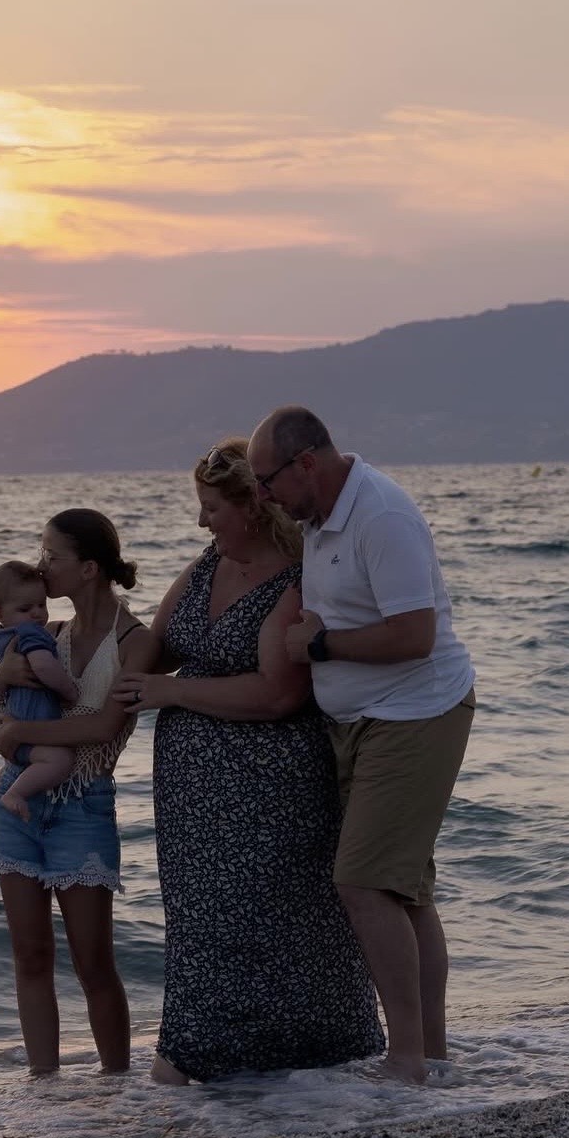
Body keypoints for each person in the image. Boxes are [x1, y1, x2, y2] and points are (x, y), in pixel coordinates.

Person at [113, 438, 384, 1084]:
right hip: (195, 804)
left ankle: (319, 1057)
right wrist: (88, 632)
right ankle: (201, 1052)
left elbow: (276, 692)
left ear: (252, 509)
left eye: (210, 507)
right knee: (204, 928)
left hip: (271, 788)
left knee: (279, 920)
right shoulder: (211, 560)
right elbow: (157, 642)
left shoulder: (296, 580)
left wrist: (171, 690)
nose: (201, 521)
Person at [246, 406, 476, 1086]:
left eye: (267, 481)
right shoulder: (317, 521)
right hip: (364, 720)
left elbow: (413, 635)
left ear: (305, 463)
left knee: (363, 882)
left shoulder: (381, 515)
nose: (264, 496)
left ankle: (403, 1059)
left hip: (414, 711)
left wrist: (320, 644)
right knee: (406, 892)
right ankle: (429, 1054)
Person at [0, 509, 156, 1075]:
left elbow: (102, 727)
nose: (41, 567)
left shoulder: (135, 642)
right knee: (30, 956)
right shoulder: (43, 634)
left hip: (84, 805)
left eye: (51, 555)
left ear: (87, 568)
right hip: (17, 798)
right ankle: (44, 1090)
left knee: (94, 963)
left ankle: (116, 1087)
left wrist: (19, 733)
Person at [0, 560, 82, 820]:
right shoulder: (32, 633)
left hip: (12, 728)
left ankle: (16, 791)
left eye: (42, 605)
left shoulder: (4, 638)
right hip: (32, 728)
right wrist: (69, 691)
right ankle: (15, 794)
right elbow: (43, 666)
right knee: (60, 761)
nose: (37, 614)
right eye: (25, 608)